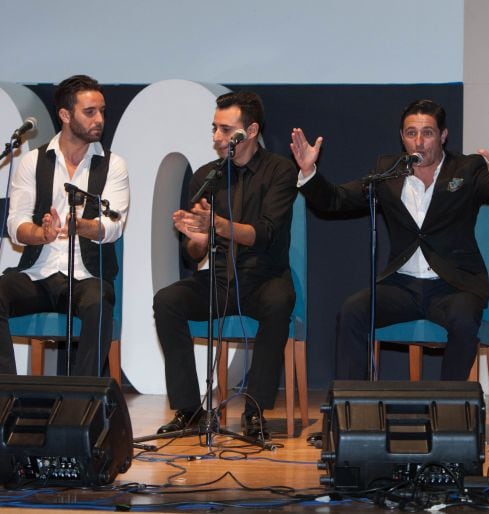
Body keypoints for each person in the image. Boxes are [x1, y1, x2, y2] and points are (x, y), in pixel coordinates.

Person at [290, 99, 489, 381]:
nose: (419, 142)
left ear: (443, 136)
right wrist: (309, 173)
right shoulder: (388, 171)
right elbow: (337, 200)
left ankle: (446, 410)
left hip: (454, 286)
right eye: (411, 133)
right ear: (402, 137)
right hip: (402, 285)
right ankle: (351, 410)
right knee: (352, 312)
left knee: (464, 321)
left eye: (427, 133)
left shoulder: (467, 169)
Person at [153, 91, 297, 439]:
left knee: (280, 302)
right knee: (167, 300)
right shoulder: (208, 176)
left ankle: (254, 411)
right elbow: (192, 252)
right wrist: (197, 239)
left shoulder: (280, 171)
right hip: (219, 278)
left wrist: (216, 225)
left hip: (265, 276)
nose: (217, 137)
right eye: (214, 128)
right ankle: (190, 410)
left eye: (225, 130)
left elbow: (265, 233)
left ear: (249, 131)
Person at [0, 74, 129, 377]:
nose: (100, 119)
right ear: (65, 115)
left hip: (87, 277)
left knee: (99, 304)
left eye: (102, 111)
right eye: (90, 112)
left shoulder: (113, 164)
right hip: (38, 274)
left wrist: (82, 226)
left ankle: (79, 403)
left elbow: (114, 225)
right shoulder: (33, 161)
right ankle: (7, 397)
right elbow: (16, 222)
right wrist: (40, 233)